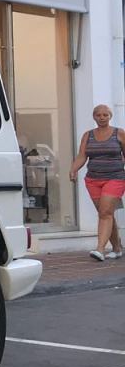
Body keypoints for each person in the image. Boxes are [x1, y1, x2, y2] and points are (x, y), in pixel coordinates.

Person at [68, 104, 125, 261]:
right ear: (94, 117)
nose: (102, 117)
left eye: (105, 115)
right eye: (98, 115)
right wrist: (73, 169)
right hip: (93, 180)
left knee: (105, 212)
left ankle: (100, 249)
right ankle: (117, 248)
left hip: (115, 178)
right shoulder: (88, 135)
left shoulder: (119, 133)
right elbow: (82, 156)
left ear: (110, 116)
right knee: (106, 213)